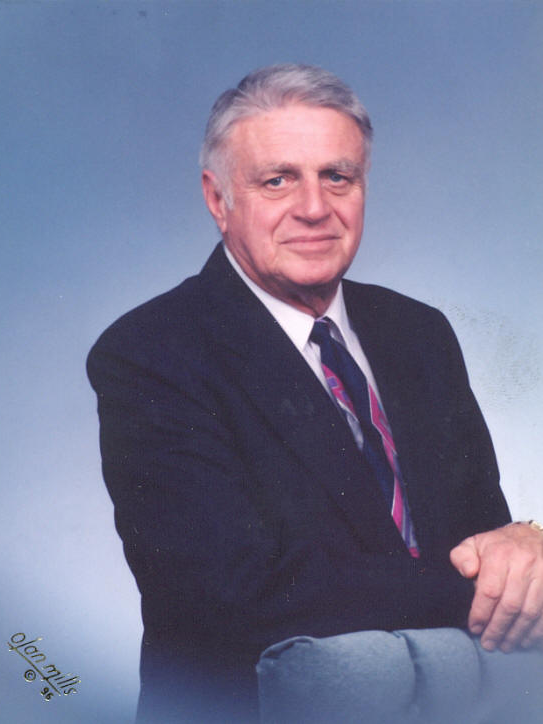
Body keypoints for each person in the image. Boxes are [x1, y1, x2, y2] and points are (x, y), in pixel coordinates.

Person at [87, 64, 543, 723]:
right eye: (278, 180)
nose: (314, 208)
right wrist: (493, 584)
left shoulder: (418, 333)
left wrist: (526, 545)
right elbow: (237, 591)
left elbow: (483, 536)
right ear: (218, 199)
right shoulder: (151, 352)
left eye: (338, 176)